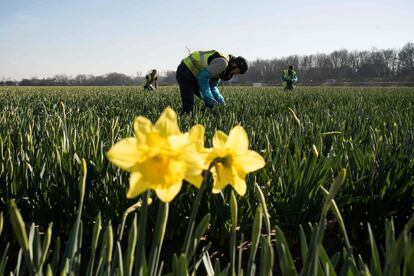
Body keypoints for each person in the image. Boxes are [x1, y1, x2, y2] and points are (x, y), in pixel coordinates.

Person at [176, 50, 248, 113]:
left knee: (211, 104)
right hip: (186, 70)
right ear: (234, 65)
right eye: (237, 71)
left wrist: (219, 98)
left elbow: (213, 86)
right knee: (188, 106)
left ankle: (200, 116)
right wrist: (208, 96)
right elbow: (202, 77)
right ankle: (185, 116)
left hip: (194, 75)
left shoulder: (224, 69)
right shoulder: (222, 63)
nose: (235, 74)